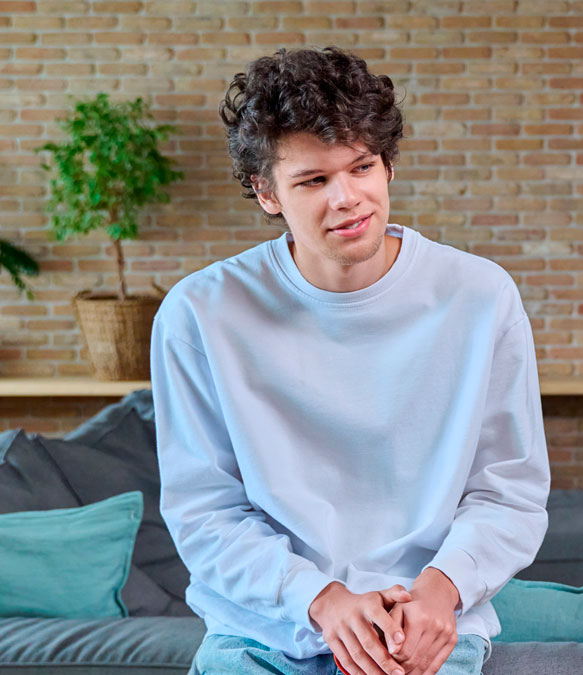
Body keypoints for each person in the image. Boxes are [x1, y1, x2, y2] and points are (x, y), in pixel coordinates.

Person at [151, 47, 550, 675]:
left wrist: (441, 590)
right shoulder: (200, 312)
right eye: (313, 181)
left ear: (387, 165)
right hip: (262, 632)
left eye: (361, 167)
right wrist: (322, 600)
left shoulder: (481, 296)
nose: (347, 198)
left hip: (420, 629)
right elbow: (204, 512)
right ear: (266, 192)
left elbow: (509, 492)